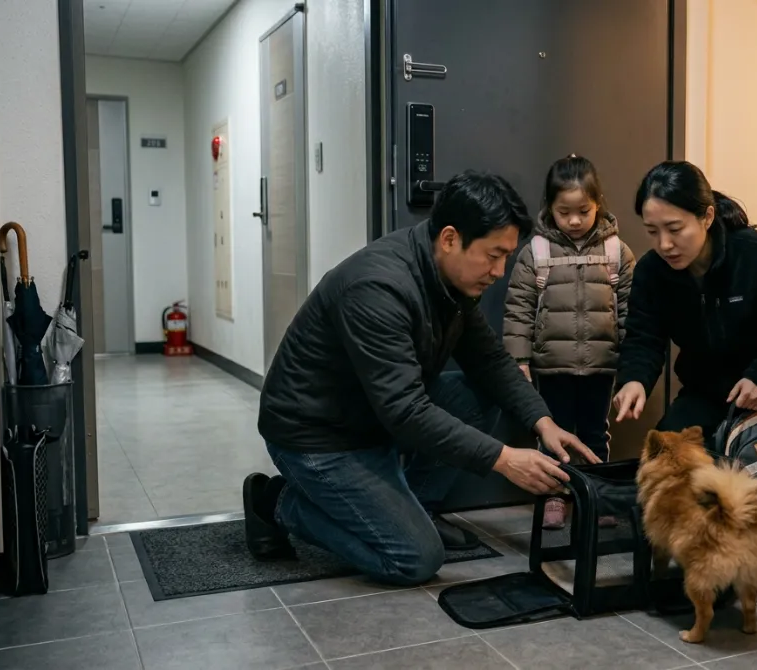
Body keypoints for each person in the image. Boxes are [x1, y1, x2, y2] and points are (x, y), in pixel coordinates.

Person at [246, 171, 600, 587]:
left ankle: (415, 508)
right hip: (316, 437)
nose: (500, 271)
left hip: (369, 418)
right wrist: (505, 460)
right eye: (492, 255)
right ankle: (276, 502)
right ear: (450, 238)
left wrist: (544, 423)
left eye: (506, 257)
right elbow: (405, 411)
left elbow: (489, 361)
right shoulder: (377, 288)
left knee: (480, 395)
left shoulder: (451, 279)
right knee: (414, 558)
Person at [612, 161, 757, 446]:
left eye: (674, 229)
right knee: (666, 460)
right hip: (706, 392)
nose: (664, 244)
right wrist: (634, 379)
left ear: (707, 217)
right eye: (652, 231)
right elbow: (644, 337)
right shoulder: (652, 271)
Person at [503, 154, 636, 529]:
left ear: (598, 204)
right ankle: (554, 497)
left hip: (601, 364)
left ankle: (598, 495)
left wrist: (630, 366)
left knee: (596, 433)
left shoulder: (616, 252)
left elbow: (630, 311)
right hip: (552, 365)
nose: (574, 220)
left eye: (584, 210)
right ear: (550, 208)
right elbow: (518, 308)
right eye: (564, 212)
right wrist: (519, 360)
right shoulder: (537, 251)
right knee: (554, 432)